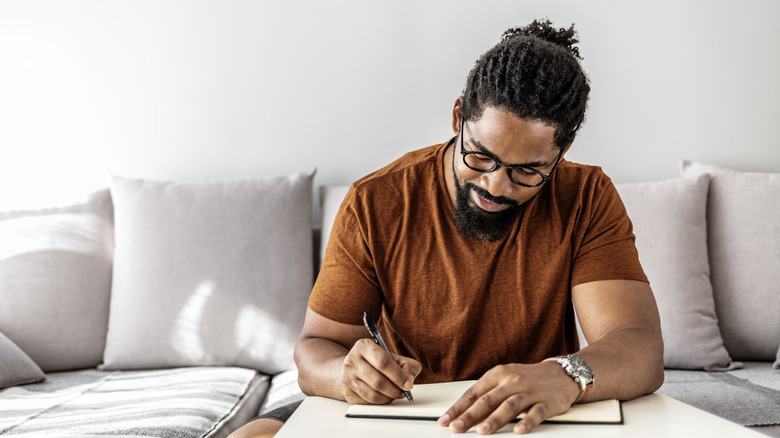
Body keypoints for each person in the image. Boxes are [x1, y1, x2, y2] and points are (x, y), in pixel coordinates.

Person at [229, 19, 663, 437]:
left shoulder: (586, 196)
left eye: (528, 171)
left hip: (531, 418)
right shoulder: (375, 201)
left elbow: (638, 345)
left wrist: (566, 375)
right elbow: (316, 346)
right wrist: (346, 375)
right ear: (458, 118)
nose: (495, 185)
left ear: (562, 150)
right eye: (479, 155)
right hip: (403, 413)